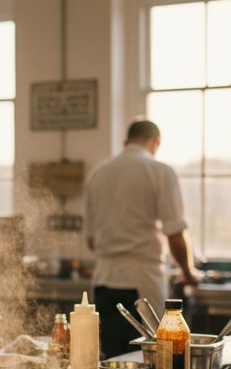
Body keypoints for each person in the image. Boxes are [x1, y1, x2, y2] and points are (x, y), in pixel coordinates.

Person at [84, 119, 198, 357]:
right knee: (154, 358)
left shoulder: (98, 172)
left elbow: (91, 241)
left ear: (127, 141)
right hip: (142, 281)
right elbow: (175, 234)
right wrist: (188, 272)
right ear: (155, 142)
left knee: (112, 360)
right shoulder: (159, 170)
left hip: (104, 281)